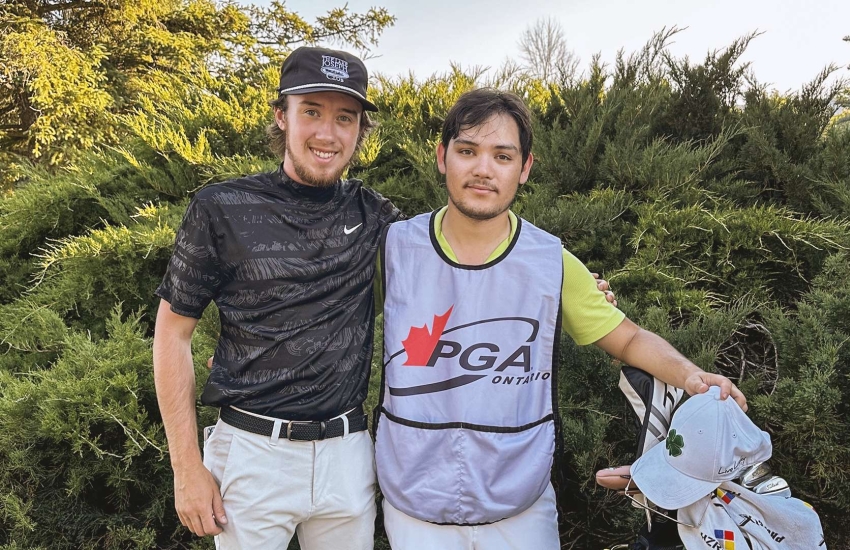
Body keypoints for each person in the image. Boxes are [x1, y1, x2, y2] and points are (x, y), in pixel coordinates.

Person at [153, 46, 616, 549]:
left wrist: (562, 283)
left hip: (348, 455)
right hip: (250, 454)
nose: (327, 133)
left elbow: (457, 261)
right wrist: (186, 467)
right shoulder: (221, 207)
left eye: (345, 118)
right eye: (311, 111)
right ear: (281, 116)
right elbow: (171, 336)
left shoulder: (376, 218)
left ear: (359, 131)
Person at [373, 88, 747, 550]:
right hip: (413, 504)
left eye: (502, 155)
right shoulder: (391, 248)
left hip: (521, 507)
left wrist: (692, 375)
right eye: (467, 150)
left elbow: (627, 339)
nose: (483, 168)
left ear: (525, 168)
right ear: (442, 156)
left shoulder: (551, 260)